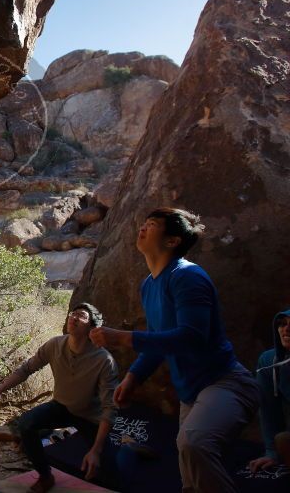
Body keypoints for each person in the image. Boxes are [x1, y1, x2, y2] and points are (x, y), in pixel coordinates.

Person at [89, 207, 260, 493]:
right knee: (191, 479)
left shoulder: (188, 277)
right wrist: (133, 377)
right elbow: (160, 339)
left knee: (194, 444)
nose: (142, 227)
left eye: (152, 224)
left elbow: (190, 338)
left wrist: (124, 338)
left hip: (225, 383)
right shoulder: (149, 285)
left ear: (172, 241)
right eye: (144, 222)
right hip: (190, 394)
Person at [0, 303, 118, 493]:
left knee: (110, 468)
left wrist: (96, 450)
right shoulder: (55, 344)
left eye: (82, 316)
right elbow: (26, 369)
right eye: (73, 314)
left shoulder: (104, 360)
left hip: (89, 415)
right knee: (26, 424)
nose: (74, 318)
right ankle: (45, 476)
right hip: (61, 406)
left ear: (92, 327)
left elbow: (109, 407)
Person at [248, 308, 290, 472]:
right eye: (282, 324)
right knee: (283, 440)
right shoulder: (268, 361)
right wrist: (272, 452)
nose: (285, 329)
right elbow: (268, 409)